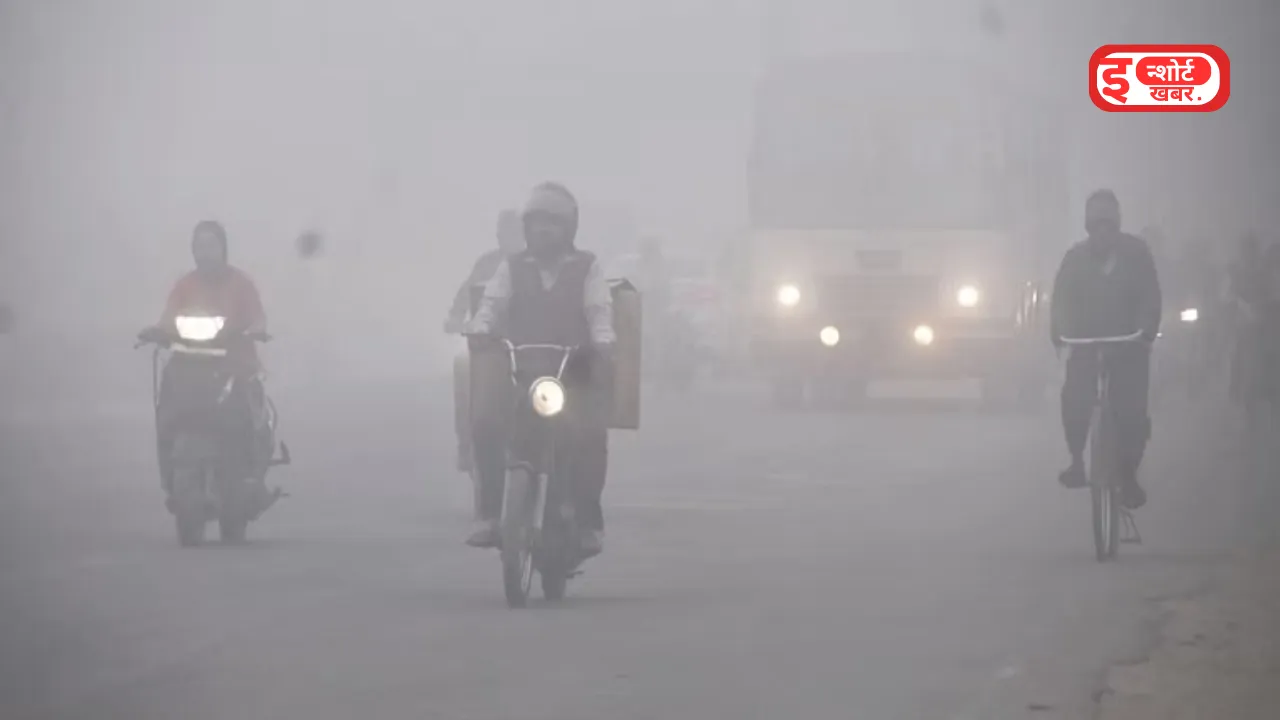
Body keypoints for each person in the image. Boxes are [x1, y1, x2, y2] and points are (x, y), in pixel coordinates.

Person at [466, 182, 615, 556]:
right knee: (486, 422)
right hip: (522, 368)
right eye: (536, 224)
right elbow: (492, 303)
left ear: (569, 228)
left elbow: (599, 311)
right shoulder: (512, 267)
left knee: (590, 434)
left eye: (552, 223)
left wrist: (603, 340)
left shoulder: (587, 266)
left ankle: (587, 523)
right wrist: (481, 328)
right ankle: (487, 515)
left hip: (574, 367)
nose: (543, 231)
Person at [1050, 190, 1162, 509]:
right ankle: (1076, 461)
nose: (1102, 232)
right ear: (1088, 227)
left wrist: (1145, 331)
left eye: (1108, 225)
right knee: (1074, 398)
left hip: (1129, 346)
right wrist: (1059, 332)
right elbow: (1061, 300)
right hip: (1087, 346)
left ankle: (1128, 475)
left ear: (1117, 226)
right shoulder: (1074, 259)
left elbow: (1149, 296)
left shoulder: (1137, 254)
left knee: (1132, 414)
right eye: (1096, 225)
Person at [152, 221, 269, 498]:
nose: (205, 253)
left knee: (247, 409)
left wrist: (256, 330)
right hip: (189, 366)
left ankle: (251, 469)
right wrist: (158, 331)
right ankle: (169, 467)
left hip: (233, 364)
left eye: (211, 246)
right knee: (166, 402)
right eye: (200, 246)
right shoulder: (185, 285)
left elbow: (258, 316)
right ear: (193, 251)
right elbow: (168, 317)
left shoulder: (240, 284)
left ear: (223, 248)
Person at [444, 209, 524, 334]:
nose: (502, 237)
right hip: (487, 338)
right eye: (502, 233)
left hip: (528, 338)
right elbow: (466, 291)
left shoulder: (536, 263)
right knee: (461, 354)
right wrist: (455, 316)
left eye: (511, 233)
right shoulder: (486, 263)